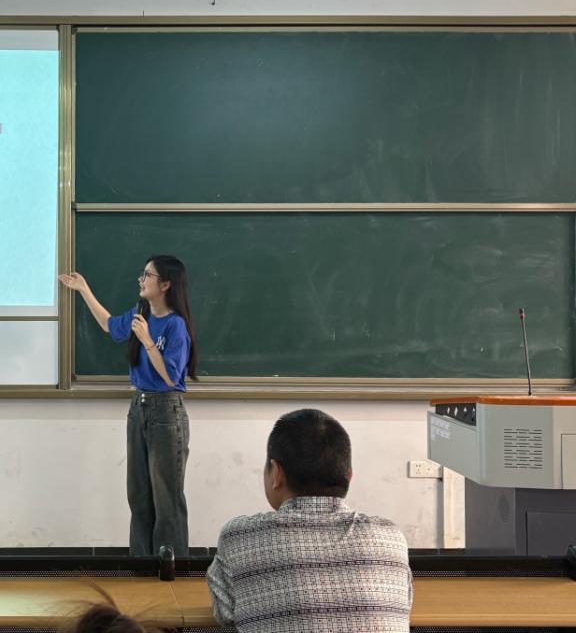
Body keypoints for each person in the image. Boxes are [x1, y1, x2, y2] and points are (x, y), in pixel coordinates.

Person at [206, 408, 412, 633]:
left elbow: (225, 614)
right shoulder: (391, 539)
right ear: (349, 476)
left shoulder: (239, 537)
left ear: (276, 473)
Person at [59, 255, 197, 556]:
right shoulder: (140, 314)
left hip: (166, 411)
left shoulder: (175, 326)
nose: (141, 279)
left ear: (165, 284)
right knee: (138, 495)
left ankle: (170, 567)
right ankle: (141, 565)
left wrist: (147, 340)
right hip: (139, 409)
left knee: (166, 498)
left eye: (147, 275)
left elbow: (171, 377)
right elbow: (109, 325)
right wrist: (83, 289)